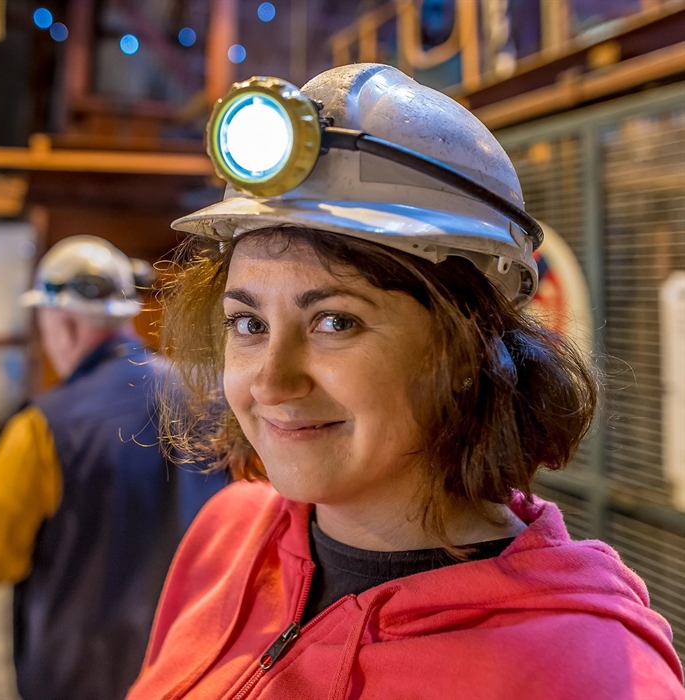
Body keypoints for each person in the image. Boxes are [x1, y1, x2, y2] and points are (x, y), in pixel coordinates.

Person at [127, 65, 685, 699]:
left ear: (469, 345)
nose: (271, 383)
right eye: (248, 322)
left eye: (336, 321)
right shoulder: (227, 537)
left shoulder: (585, 672)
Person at [0, 235, 224, 700]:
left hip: (81, 672)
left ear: (63, 325)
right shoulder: (210, 395)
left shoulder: (42, 427)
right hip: (194, 661)